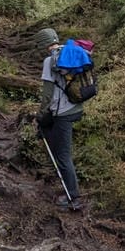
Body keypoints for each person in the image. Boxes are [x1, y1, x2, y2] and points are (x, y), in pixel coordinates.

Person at [33, 27, 84, 210]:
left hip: (62, 113)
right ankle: (63, 179)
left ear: (42, 44)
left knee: (63, 155)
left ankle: (73, 197)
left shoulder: (50, 61)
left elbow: (47, 95)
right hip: (75, 108)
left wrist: (40, 115)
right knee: (49, 134)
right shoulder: (67, 53)